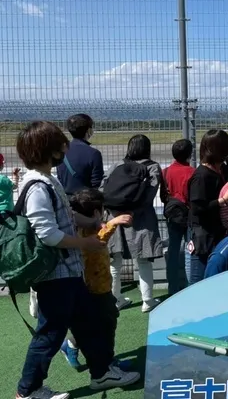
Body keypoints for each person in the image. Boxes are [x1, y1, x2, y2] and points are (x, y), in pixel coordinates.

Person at [14, 121, 139, 399]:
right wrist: (86, 242)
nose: (65, 147)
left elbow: (67, 216)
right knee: (49, 334)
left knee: (87, 323)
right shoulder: (37, 185)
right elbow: (47, 233)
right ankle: (28, 391)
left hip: (69, 272)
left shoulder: (48, 179)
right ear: (49, 150)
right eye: (60, 144)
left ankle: (101, 372)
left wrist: (90, 223)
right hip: (55, 275)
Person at [62, 189, 134, 371]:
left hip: (99, 288)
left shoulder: (82, 230)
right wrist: (113, 223)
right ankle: (107, 362)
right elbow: (100, 240)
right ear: (96, 212)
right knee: (106, 325)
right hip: (95, 290)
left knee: (96, 325)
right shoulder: (85, 235)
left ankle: (74, 345)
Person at [103, 135, 163, 312]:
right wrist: (132, 210)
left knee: (115, 262)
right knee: (143, 261)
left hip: (113, 217)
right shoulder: (152, 167)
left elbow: (102, 189)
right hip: (140, 218)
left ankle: (116, 299)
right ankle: (147, 300)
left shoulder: (117, 165)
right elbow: (149, 195)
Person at [186, 130, 228, 284]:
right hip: (203, 234)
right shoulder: (201, 176)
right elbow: (197, 208)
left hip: (218, 231)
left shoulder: (221, 170)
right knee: (199, 277)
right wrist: (223, 200)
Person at [159, 139, 195, 296]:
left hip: (172, 215)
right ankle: (189, 286)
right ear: (189, 154)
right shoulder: (192, 172)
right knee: (190, 250)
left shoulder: (165, 171)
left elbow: (162, 196)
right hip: (188, 215)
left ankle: (172, 288)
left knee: (173, 251)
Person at [56, 114, 104, 196]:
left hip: (66, 199)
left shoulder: (62, 151)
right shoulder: (94, 153)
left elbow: (60, 178)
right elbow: (96, 184)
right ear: (89, 131)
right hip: (86, 202)